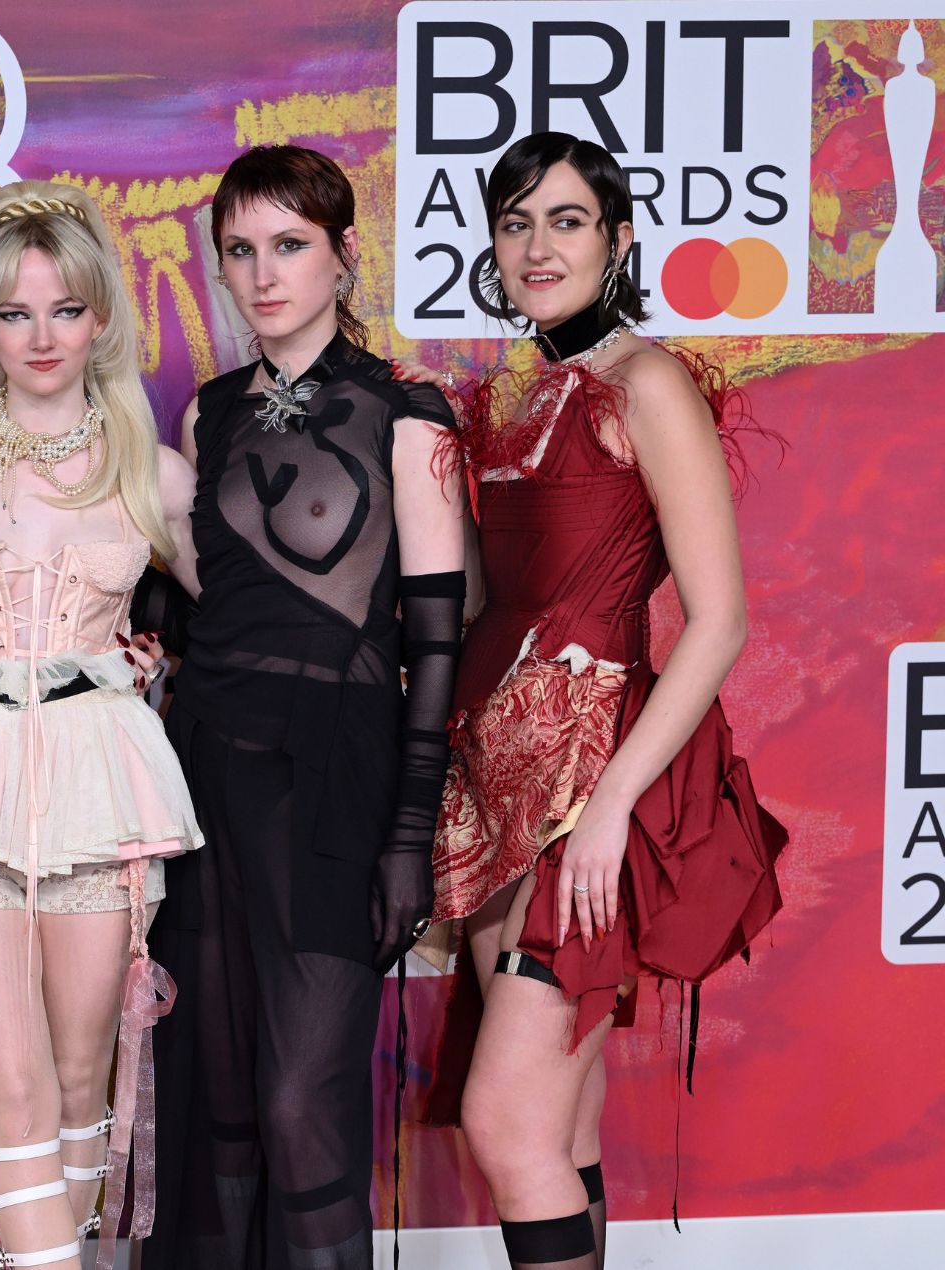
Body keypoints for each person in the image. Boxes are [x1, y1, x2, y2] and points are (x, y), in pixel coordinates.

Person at [423, 131, 785, 1270]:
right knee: (557, 1122)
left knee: (505, 1121)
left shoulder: (647, 383)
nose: (537, 245)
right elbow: (492, 601)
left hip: (593, 785)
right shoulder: (513, 395)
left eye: (565, 220)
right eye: (515, 221)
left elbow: (716, 618)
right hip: (493, 784)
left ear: (616, 240)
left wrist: (615, 804)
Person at [143, 144, 468, 1270]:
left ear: (341, 255)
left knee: (296, 1101)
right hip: (205, 774)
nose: (261, 273)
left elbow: (434, 637)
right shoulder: (208, 415)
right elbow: (198, 607)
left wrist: (410, 836)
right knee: (220, 1102)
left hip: (336, 776)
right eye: (238, 250)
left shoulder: (407, 412)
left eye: (288, 245)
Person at [0, 180, 202, 1270]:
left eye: (63, 309)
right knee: (8, 1084)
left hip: (98, 781)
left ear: (100, 315)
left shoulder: (154, 473)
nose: (40, 336)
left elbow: (251, 618)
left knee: (77, 1080)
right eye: (13, 313)